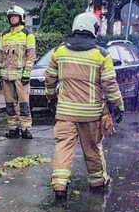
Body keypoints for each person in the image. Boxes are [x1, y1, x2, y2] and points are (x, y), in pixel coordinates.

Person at [45, 11, 124, 200]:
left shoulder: (59, 52)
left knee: (63, 148)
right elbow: (109, 84)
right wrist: (118, 105)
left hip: (65, 113)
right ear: (93, 29)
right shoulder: (101, 55)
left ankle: (59, 186)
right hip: (90, 113)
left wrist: (51, 98)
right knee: (92, 148)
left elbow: (49, 78)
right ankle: (97, 182)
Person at [0, 5, 36, 138]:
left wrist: (27, 72)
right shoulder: (4, 35)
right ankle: (13, 129)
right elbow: (0, 55)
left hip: (21, 76)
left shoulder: (27, 34)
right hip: (6, 76)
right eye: (11, 16)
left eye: (15, 16)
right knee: (10, 104)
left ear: (21, 18)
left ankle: (25, 129)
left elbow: (31, 55)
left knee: (24, 104)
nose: (13, 18)